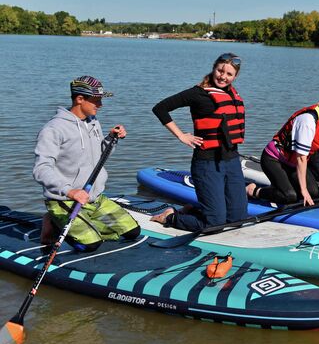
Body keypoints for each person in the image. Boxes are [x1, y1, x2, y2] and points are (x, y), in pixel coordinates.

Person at [33, 76, 138, 252]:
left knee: (132, 232)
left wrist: (111, 139)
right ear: (80, 99)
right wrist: (70, 191)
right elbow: (41, 169)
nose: (101, 105)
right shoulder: (53, 129)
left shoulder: (93, 122)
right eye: (96, 101)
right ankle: (54, 221)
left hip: (93, 198)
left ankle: (82, 223)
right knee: (90, 244)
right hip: (65, 199)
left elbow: (99, 158)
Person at [149, 53, 248, 230]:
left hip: (232, 162)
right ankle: (170, 217)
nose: (223, 77)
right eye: (220, 71)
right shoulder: (197, 94)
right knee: (215, 223)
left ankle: (193, 210)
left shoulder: (232, 94)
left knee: (238, 218)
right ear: (214, 68)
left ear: (235, 76)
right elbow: (160, 108)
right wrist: (181, 135)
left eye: (228, 74)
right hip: (207, 164)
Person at [246, 96, 319, 206]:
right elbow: (301, 158)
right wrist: (303, 190)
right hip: (274, 159)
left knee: (314, 193)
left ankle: (280, 188)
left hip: (292, 164)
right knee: (289, 196)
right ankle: (254, 190)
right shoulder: (307, 121)